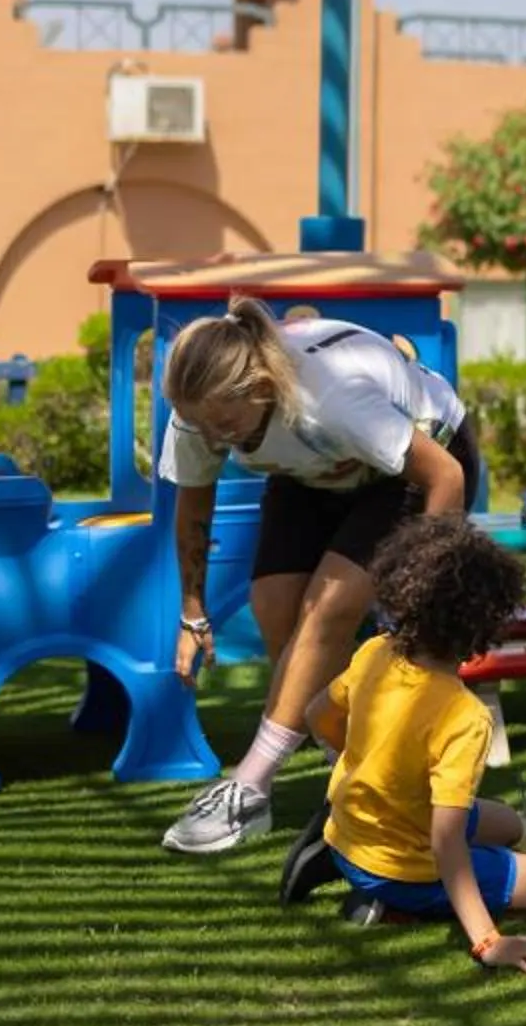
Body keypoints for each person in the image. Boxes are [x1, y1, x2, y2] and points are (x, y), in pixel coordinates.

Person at [155, 296, 484, 855]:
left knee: (327, 608)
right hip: (316, 472)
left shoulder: (330, 397)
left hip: (421, 462)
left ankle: (249, 788)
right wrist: (192, 611)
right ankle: (360, 772)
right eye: (201, 425)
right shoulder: (201, 409)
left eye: (224, 425)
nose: (212, 440)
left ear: (261, 386)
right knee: (274, 604)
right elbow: (193, 507)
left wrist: (420, 591)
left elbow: (445, 476)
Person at [302, 515, 526, 969]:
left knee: (510, 823)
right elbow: (445, 843)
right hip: (399, 867)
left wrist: (348, 761)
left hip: (351, 833)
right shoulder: (465, 717)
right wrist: (488, 942)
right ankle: (395, 903)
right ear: (487, 622)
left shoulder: (376, 652)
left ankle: (349, 864)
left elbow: (317, 715)